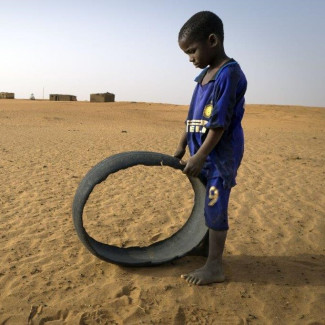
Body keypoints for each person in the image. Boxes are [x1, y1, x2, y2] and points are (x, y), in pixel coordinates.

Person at [174, 11, 247, 285]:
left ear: (212, 40)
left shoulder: (229, 74)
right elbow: (192, 117)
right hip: (202, 155)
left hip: (220, 156)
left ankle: (215, 266)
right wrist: (181, 147)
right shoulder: (203, 78)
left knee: (215, 204)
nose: (190, 58)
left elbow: (219, 123)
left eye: (192, 51)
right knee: (206, 200)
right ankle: (205, 250)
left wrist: (201, 154)